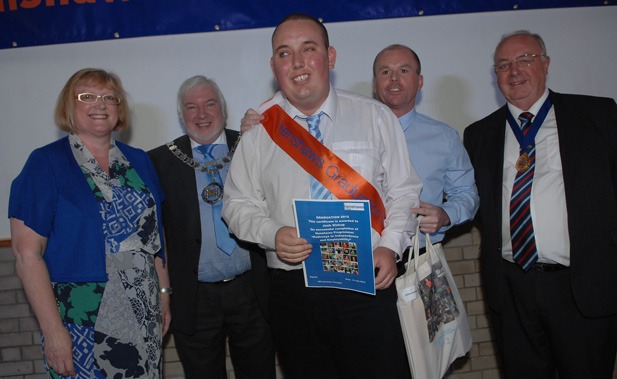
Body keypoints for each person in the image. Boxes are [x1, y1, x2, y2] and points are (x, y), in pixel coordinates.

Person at [222, 13, 421, 378]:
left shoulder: (374, 116)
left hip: (368, 282)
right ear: (273, 66)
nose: (297, 63)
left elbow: (404, 191)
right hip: (292, 290)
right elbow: (236, 204)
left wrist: (390, 246)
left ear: (330, 57)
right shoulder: (260, 129)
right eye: (284, 53)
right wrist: (272, 235)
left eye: (308, 49)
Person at [464, 30, 617, 378]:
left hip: (582, 286)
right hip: (512, 288)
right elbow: (470, 200)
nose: (514, 71)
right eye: (504, 65)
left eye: (525, 60)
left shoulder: (596, 115)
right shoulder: (479, 134)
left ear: (546, 64)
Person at [9, 68, 170, 378]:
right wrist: (53, 331)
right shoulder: (46, 163)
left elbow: (156, 239)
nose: (101, 104)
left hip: (143, 309)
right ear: (70, 106)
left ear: (119, 109)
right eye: (88, 96)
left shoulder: (139, 160)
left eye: (110, 97)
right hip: (81, 314)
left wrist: (164, 294)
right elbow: (26, 254)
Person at [148, 75, 274, 379]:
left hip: (252, 290)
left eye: (209, 104)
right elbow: (154, 236)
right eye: (191, 107)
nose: (201, 114)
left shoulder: (254, 142)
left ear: (224, 108)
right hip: (194, 298)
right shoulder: (158, 162)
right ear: (181, 116)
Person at [372, 44, 478, 251]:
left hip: (420, 258)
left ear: (419, 82)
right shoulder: (355, 135)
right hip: (366, 256)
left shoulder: (444, 137)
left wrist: (447, 214)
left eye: (403, 70)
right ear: (375, 84)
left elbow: (466, 193)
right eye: (385, 72)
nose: (394, 78)